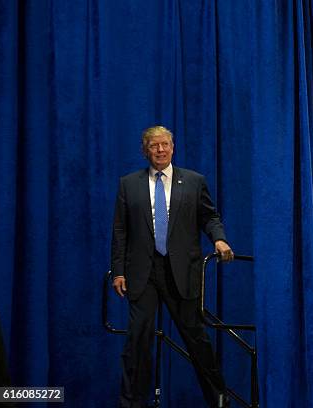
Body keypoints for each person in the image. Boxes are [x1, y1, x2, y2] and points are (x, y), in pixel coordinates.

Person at [111, 125, 233, 408]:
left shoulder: (193, 181)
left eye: (165, 144)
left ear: (173, 148)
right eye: (154, 146)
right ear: (145, 151)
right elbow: (120, 231)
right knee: (137, 343)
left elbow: (209, 217)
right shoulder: (128, 184)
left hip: (181, 272)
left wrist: (219, 239)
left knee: (197, 340)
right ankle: (131, 403)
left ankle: (219, 400)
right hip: (142, 273)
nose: (161, 150)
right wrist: (118, 271)